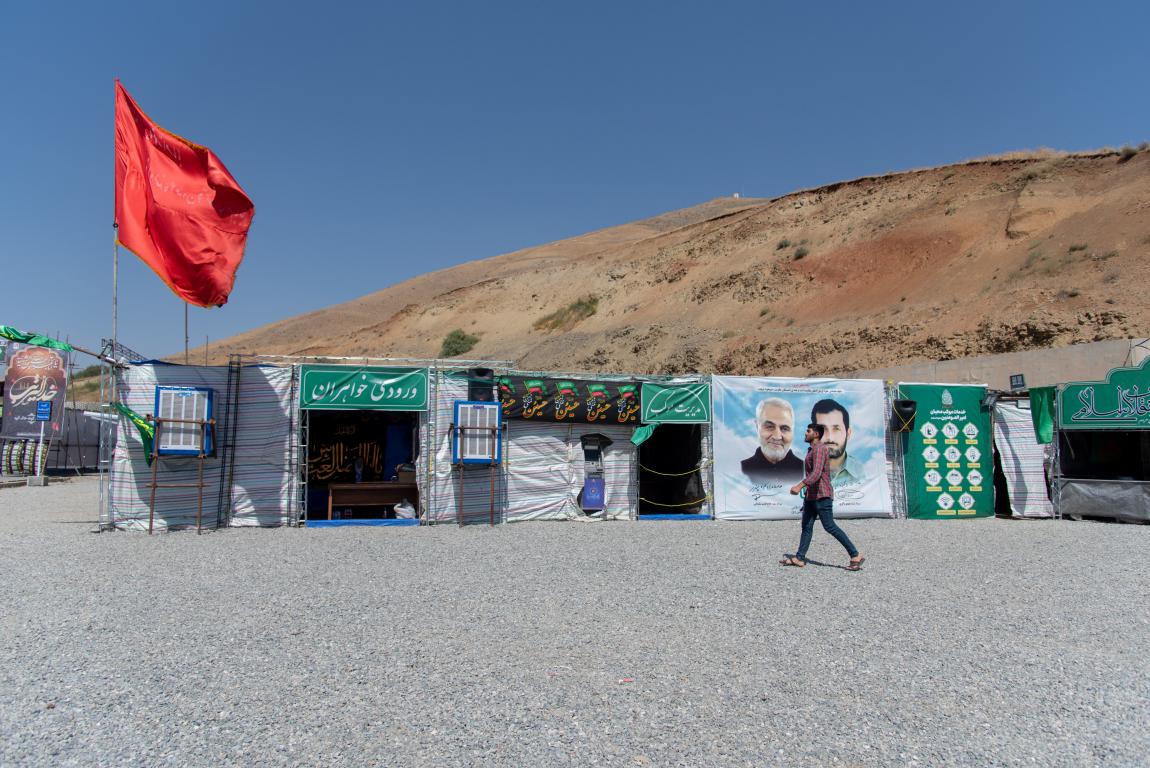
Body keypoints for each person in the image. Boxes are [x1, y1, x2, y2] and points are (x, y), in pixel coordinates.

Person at [780, 423, 865, 570]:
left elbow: (816, 473)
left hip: (822, 495)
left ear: (816, 434)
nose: (805, 433)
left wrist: (799, 486)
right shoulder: (811, 450)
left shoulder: (819, 449)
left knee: (830, 526)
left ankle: (855, 555)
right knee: (806, 527)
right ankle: (799, 558)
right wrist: (806, 497)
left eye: (808, 431)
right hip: (812, 496)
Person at [741, 397, 804, 483]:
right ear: (757, 427)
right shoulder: (741, 470)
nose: (777, 437)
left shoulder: (807, 471)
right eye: (769, 427)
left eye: (785, 428)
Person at [810, 398, 867, 487]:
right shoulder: (799, 471)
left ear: (848, 433)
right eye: (822, 429)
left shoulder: (864, 472)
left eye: (836, 429)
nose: (830, 437)